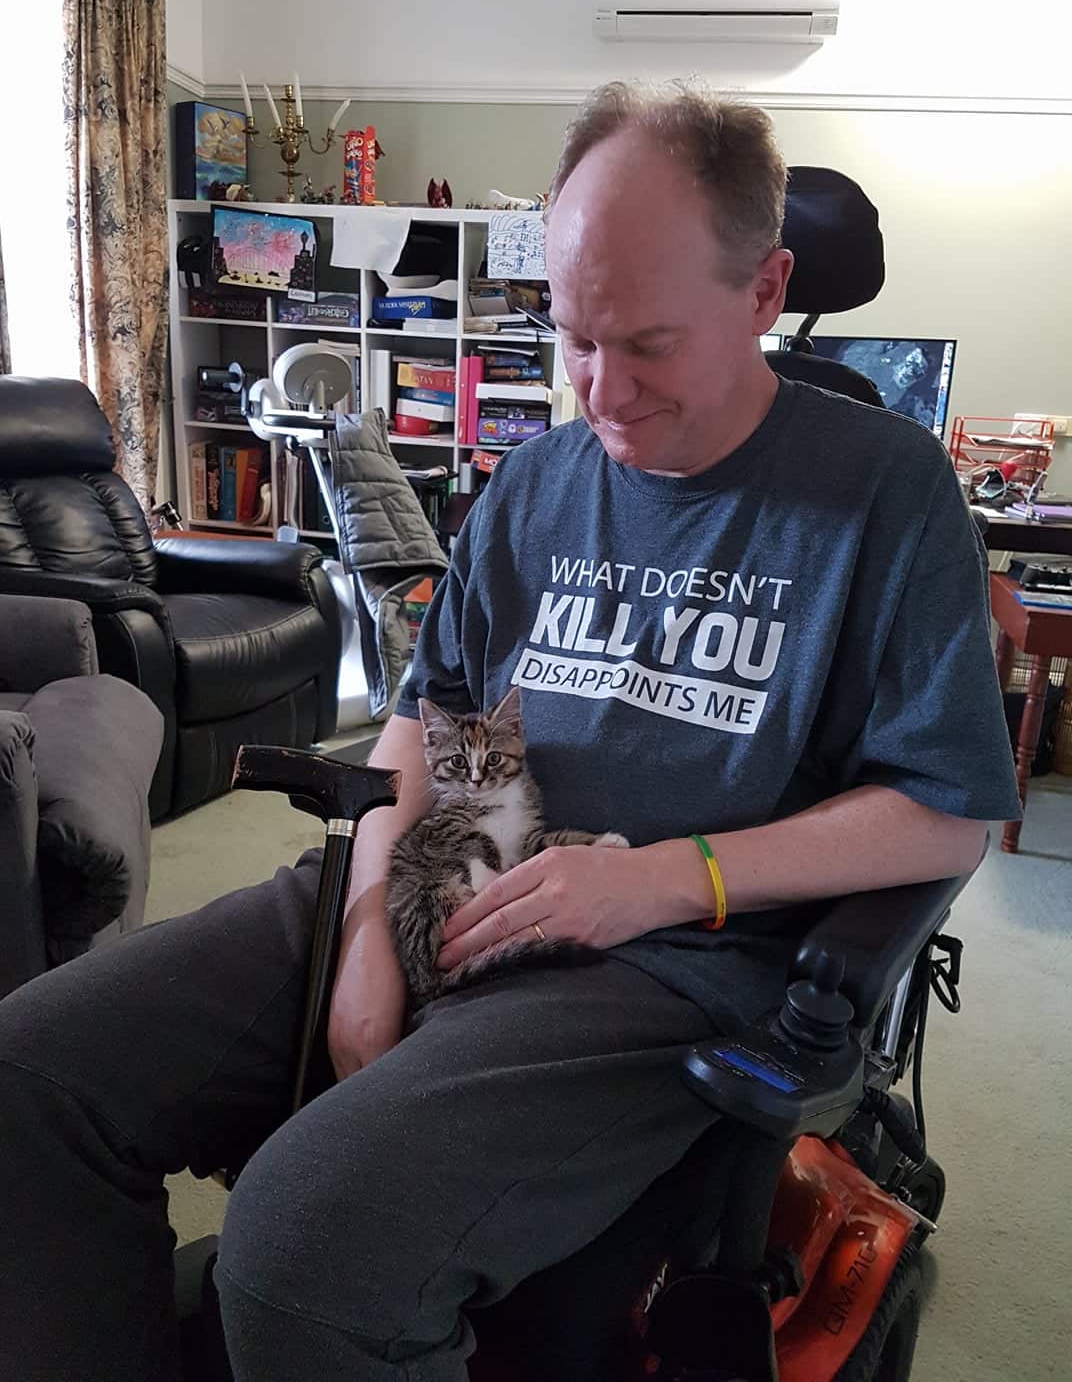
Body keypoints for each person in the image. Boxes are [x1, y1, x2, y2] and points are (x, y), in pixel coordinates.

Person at [0, 81, 1020, 1382]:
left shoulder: (887, 495)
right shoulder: (539, 480)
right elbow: (444, 716)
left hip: (664, 967)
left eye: (647, 344)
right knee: (31, 1079)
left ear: (765, 295)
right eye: (572, 337)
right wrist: (375, 925)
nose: (602, 392)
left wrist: (660, 877)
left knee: (300, 1259)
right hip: (453, 874)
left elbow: (952, 806)